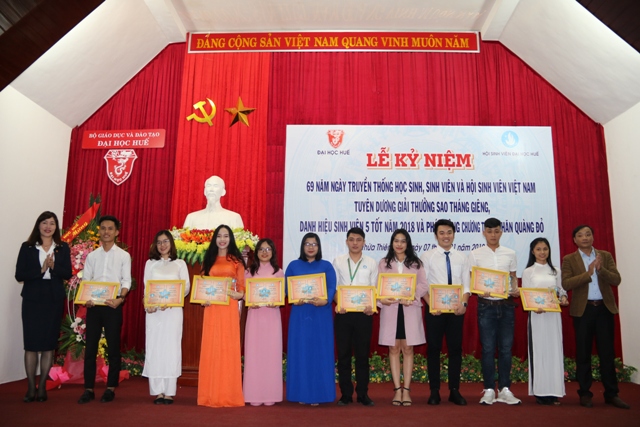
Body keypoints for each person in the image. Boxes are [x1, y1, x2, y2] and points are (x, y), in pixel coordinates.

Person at [561, 225, 629, 409]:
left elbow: (616, 279)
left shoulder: (604, 256)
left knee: (607, 353)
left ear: (593, 237)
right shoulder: (569, 259)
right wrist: (588, 273)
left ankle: (611, 394)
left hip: (604, 310)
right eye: (580, 235)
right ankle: (585, 393)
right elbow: (566, 283)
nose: (585, 238)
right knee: (583, 353)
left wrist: (600, 270)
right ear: (574, 240)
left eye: (588, 234)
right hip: (583, 311)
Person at [15, 211, 72, 402]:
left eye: (52, 223)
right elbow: (19, 274)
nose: (48, 227)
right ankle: (31, 387)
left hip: (53, 299)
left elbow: (67, 273)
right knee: (31, 345)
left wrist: (53, 267)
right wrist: (41, 270)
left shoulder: (62, 247)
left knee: (49, 345)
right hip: (32, 299)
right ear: (38, 225)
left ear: (56, 227)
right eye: (45, 223)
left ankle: (42, 389)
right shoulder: (28, 247)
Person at [466, 217, 521, 405]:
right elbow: (473, 280)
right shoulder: (475, 254)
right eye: (489, 231)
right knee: (488, 348)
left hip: (506, 305)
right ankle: (489, 389)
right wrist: (479, 289)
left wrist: (515, 289)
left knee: (506, 348)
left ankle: (505, 389)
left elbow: (513, 277)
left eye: (496, 231)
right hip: (486, 306)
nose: (493, 235)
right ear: (484, 233)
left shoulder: (510, 253)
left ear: (501, 232)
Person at [78, 215, 132, 404]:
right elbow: (86, 281)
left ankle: (110, 388)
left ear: (117, 232)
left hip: (113, 306)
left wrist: (120, 299)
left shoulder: (123, 256)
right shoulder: (92, 256)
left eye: (110, 229)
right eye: (103, 228)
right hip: (94, 307)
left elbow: (126, 281)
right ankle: (88, 389)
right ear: (99, 231)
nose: (106, 232)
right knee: (90, 348)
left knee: (113, 347)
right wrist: (86, 299)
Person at [420, 219, 470, 406]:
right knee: (434, 349)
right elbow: (422, 285)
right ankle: (434, 391)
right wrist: (431, 305)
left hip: (456, 310)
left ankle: (454, 390)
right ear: (436, 235)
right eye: (442, 233)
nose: (446, 236)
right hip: (435, 311)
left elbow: (466, 284)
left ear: (454, 234)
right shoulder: (427, 256)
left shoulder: (462, 257)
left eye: (449, 232)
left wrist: (463, 304)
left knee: (455, 349)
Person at [377, 229, 428, 407]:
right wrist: (382, 299)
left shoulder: (416, 263)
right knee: (393, 348)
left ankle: (406, 390)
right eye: (396, 241)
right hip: (391, 309)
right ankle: (397, 390)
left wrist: (412, 295)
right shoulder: (384, 263)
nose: (399, 244)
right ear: (392, 243)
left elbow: (423, 285)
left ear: (408, 244)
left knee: (407, 348)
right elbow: (378, 286)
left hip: (409, 308)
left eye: (403, 241)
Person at [285, 233, 337, 405]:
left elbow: (331, 287)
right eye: (307, 244)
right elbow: (287, 288)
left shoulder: (326, 266)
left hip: (321, 315)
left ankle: (319, 394)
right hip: (300, 315)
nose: (310, 247)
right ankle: (300, 393)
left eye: (314, 244)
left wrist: (326, 300)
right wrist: (293, 298)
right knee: (301, 352)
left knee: (320, 353)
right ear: (302, 246)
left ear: (319, 247)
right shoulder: (293, 265)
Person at [197, 224, 245, 407]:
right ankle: (209, 395)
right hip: (211, 309)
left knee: (227, 347)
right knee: (211, 347)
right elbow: (202, 285)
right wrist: (203, 299)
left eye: (226, 236)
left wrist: (238, 294)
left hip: (229, 308)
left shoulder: (237, 261)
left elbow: (242, 287)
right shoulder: (208, 259)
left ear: (230, 238)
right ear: (215, 239)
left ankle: (228, 394)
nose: (222, 239)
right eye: (219, 236)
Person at [142, 230, 190, 405]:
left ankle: (169, 391)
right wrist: (148, 305)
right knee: (155, 347)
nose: (162, 245)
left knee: (171, 348)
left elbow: (185, 288)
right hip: (154, 312)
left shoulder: (180, 264)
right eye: (159, 242)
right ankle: (157, 391)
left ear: (171, 243)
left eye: (166, 241)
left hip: (173, 311)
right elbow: (147, 288)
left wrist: (170, 301)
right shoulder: (150, 264)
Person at [332, 227, 378, 407]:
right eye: (351, 239)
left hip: (364, 315)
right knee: (343, 355)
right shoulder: (338, 261)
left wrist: (371, 306)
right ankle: (345, 394)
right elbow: (334, 288)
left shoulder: (371, 263)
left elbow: (374, 288)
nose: (355, 243)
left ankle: (363, 394)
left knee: (362, 356)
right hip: (344, 314)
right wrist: (339, 303)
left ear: (364, 242)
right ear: (346, 241)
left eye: (359, 239)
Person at [522, 237, 568, 405]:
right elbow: (526, 295)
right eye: (538, 249)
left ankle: (554, 391)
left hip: (553, 316)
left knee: (554, 351)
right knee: (539, 351)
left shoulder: (556, 271)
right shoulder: (528, 272)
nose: (542, 252)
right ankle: (540, 392)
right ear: (532, 252)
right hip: (537, 317)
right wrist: (534, 307)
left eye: (545, 249)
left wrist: (563, 298)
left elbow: (561, 290)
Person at [243, 238, 284, 406]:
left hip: (272, 316)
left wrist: (277, 301)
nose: (264, 252)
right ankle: (253, 394)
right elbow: (245, 293)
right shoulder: (249, 272)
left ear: (273, 252)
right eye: (261, 249)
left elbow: (282, 294)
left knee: (271, 354)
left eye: (268, 249)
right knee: (254, 354)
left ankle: (270, 394)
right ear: (256, 252)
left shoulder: (279, 272)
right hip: (255, 316)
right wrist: (248, 299)